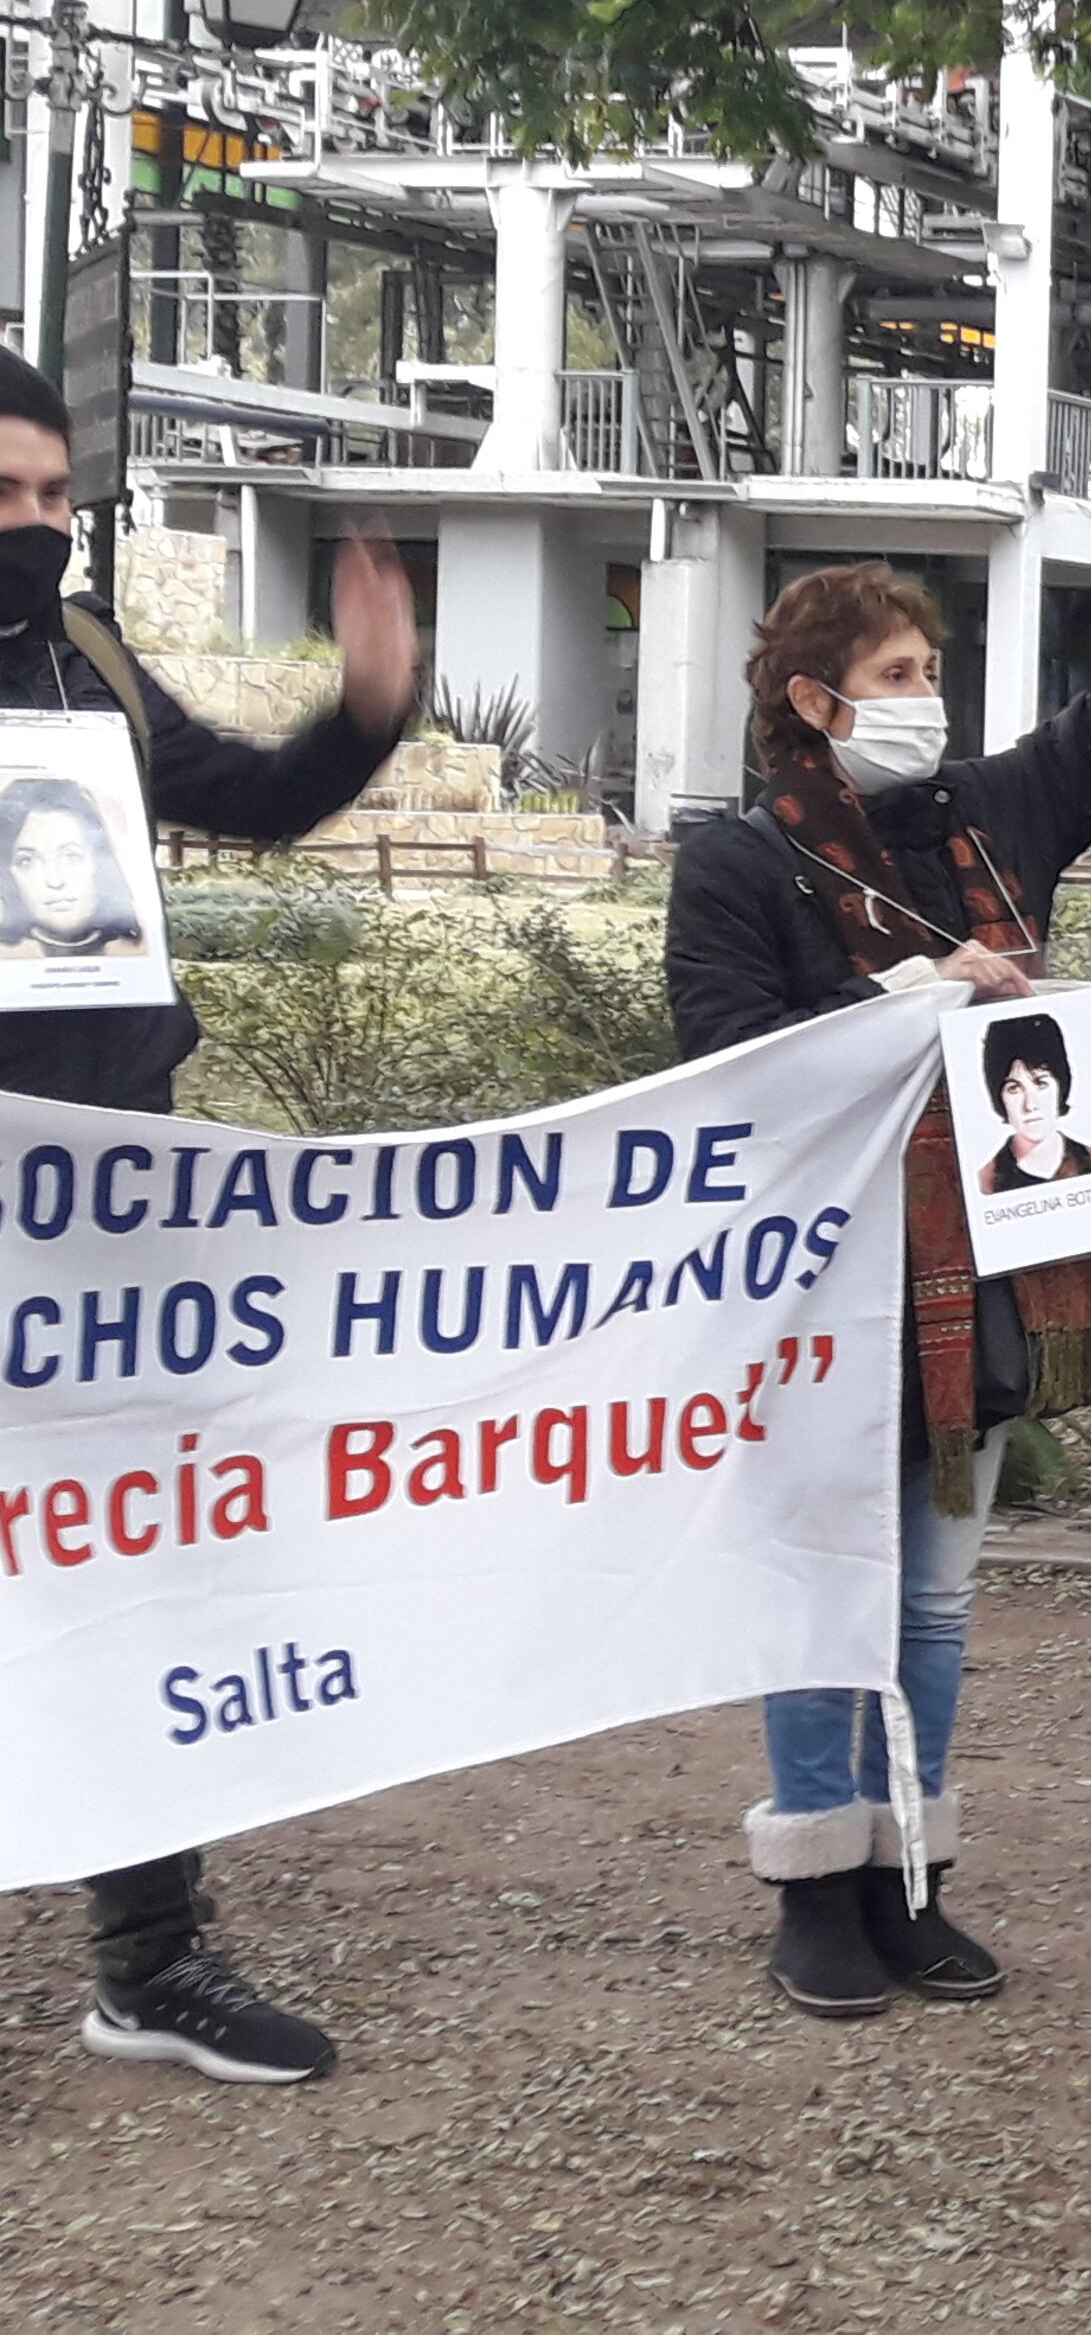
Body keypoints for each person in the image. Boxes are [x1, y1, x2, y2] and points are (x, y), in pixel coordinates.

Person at [666, 471, 1091, 2018]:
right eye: (900, 675)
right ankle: (816, 1891)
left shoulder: (988, 815)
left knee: (931, 1597)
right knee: (822, 1588)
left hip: (977, 1280)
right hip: (821, 1289)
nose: (929, 698)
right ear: (814, 701)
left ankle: (909, 1877)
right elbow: (726, 1056)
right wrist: (917, 997)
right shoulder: (736, 864)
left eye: (932, 672)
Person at [0, 345, 415, 2082]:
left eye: (53, 492)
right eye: (3, 493)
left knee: (125, 1560)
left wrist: (367, 707)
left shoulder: (86, 656)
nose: (36, 522)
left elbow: (246, 798)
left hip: (112, 1192)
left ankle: (151, 1959)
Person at [0, 777, 145, 957]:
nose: (55, 881)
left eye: (71, 857)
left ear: (99, 862)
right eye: (27, 861)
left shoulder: (145, 954)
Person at [976, 1010, 1091, 1192]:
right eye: (1014, 1089)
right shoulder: (985, 1184)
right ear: (999, 1096)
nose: (1030, 1105)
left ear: (1060, 1085)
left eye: (1041, 1084)